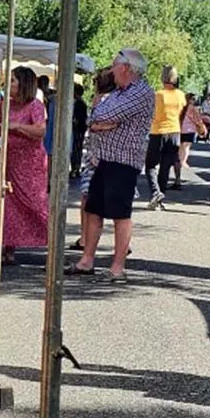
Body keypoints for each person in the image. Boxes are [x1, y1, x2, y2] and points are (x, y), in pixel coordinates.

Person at [65, 48, 154, 282]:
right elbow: (95, 116)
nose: (112, 69)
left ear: (126, 68)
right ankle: (87, 261)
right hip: (103, 158)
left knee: (120, 214)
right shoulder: (118, 92)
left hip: (124, 160)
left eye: (115, 65)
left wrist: (102, 121)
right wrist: (101, 123)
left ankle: (117, 267)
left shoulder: (141, 92)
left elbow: (106, 114)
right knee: (93, 209)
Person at [0, 66, 49, 265]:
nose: (9, 84)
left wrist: (17, 127)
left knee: (34, 204)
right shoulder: (5, 104)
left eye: (13, 81)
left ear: (24, 84)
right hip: (10, 161)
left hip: (31, 163)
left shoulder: (35, 106)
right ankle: (8, 249)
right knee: (8, 206)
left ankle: (51, 242)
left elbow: (40, 131)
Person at [69, 67, 116, 251]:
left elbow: (96, 126)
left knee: (88, 199)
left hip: (97, 155)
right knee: (109, 200)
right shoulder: (115, 98)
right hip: (105, 154)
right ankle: (116, 241)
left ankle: (85, 238)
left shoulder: (101, 99)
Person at [145, 65, 186, 210]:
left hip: (157, 132)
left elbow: (150, 113)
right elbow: (182, 112)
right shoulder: (181, 95)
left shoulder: (157, 95)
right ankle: (160, 198)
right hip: (174, 132)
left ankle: (155, 192)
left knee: (150, 165)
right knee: (165, 167)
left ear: (162, 78)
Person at [172, 92, 207, 189]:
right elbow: (197, 119)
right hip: (190, 130)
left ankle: (180, 159)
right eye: (193, 99)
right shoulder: (193, 108)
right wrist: (202, 127)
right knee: (186, 146)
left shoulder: (181, 107)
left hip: (180, 129)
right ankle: (183, 161)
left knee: (181, 146)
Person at [71, 83, 89, 179]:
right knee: (77, 149)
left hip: (78, 129)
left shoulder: (79, 104)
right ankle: (76, 168)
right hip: (81, 129)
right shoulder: (82, 103)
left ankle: (75, 168)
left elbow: (78, 118)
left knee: (76, 149)